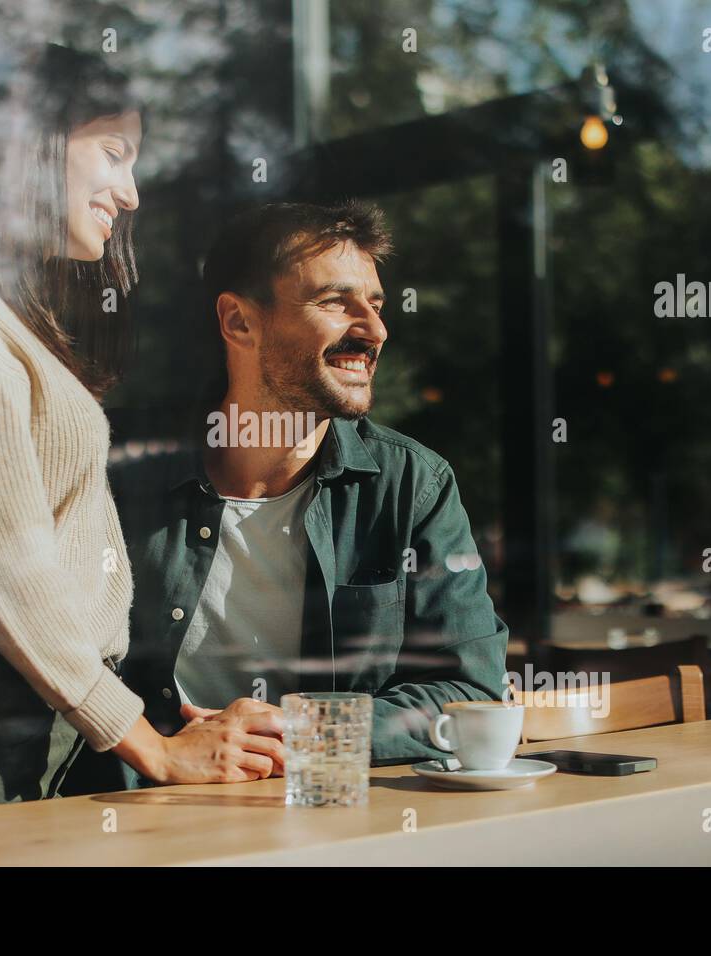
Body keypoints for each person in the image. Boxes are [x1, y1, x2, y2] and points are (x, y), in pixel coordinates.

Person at [0, 45, 282, 817]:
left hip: (31, 733)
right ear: (36, 146)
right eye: (114, 153)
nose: (133, 193)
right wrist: (152, 748)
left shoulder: (9, 322)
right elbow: (4, 567)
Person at [99, 200, 508, 788]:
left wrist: (308, 730)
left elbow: (472, 690)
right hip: (132, 813)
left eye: (376, 304)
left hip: (327, 817)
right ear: (239, 322)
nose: (374, 330)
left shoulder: (413, 485)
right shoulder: (116, 468)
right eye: (336, 302)